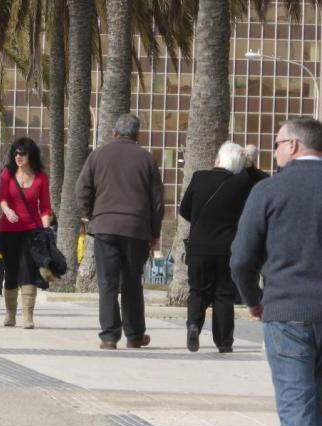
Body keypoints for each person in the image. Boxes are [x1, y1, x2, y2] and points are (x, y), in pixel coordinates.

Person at [230, 117, 322, 426]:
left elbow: (241, 259)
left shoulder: (269, 190)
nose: (275, 151)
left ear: (294, 146)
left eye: (278, 144)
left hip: (287, 312)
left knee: (297, 407)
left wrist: (253, 300)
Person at [75, 113, 164, 350]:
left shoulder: (98, 155)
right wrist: (154, 232)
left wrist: (93, 215)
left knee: (108, 282)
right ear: (137, 135)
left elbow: (82, 190)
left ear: (114, 132)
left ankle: (109, 336)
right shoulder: (146, 159)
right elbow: (157, 202)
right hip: (136, 228)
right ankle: (134, 335)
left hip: (104, 227)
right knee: (132, 281)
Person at [179, 141, 252, 353]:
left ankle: (194, 326)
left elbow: (184, 210)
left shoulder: (199, 177)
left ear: (219, 159)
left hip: (199, 248)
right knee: (223, 294)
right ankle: (224, 341)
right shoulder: (242, 184)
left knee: (198, 291)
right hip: (227, 249)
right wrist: (249, 165)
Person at [0, 137, 52, 329]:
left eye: (23, 153)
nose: (18, 156)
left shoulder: (41, 177)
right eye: (16, 152)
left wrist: (45, 231)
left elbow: (45, 207)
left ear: (31, 155)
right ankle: (10, 313)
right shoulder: (7, 173)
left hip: (31, 229)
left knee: (28, 269)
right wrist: (7, 211)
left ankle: (28, 315)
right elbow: (2, 198)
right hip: (8, 230)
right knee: (11, 270)